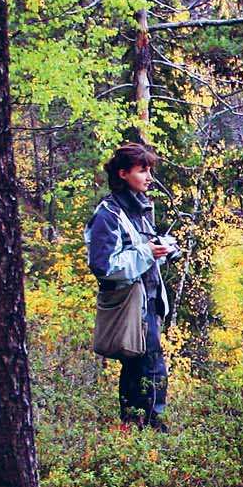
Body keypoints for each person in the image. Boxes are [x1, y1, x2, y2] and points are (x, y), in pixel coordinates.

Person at [85, 142, 174, 430]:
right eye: (142, 171)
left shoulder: (141, 208)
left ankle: (134, 426)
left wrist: (161, 249)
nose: (149, 177)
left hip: (147, 298)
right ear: (123, 174)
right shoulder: (107, 214)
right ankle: (151, 427)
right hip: (129, 303)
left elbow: (140, 250)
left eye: (149, 171)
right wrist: (148, 252)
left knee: (141, 363)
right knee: (148, 364)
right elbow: (104, 265)